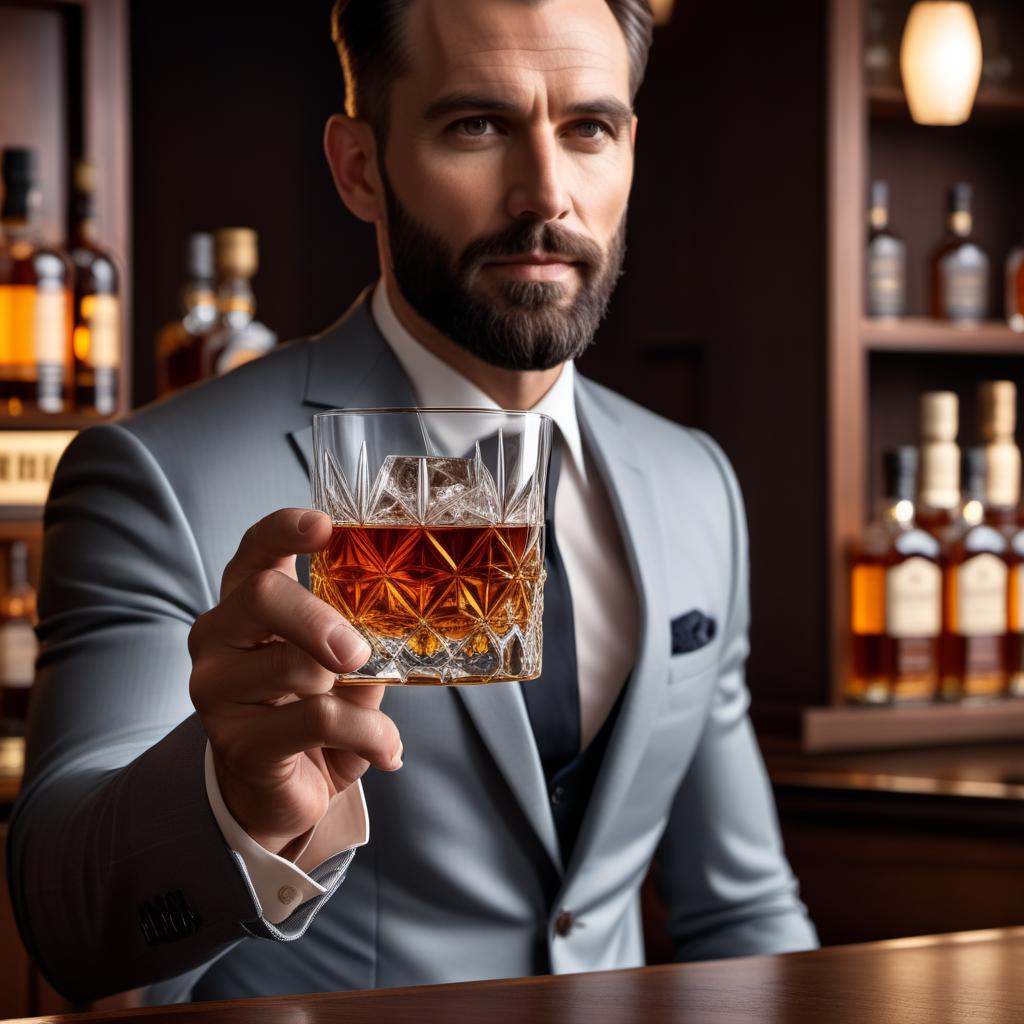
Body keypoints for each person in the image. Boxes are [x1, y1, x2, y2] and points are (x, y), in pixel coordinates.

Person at [7, 0, 818, 1006]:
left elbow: (742, 913)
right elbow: (68, 920)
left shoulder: (694, 482)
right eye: (474, 126)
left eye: (587, 128)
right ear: (358, 166)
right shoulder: (166, 474)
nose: (545, 193)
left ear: (629, 151)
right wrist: (234, 803)